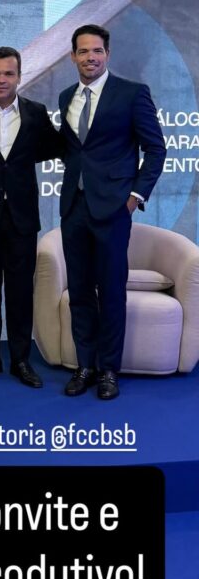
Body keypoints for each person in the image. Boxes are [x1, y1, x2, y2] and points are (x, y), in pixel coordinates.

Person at [59, 23, 166, 400]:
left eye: (97, 51)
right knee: (80, 292)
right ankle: (85, 365)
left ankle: (108, 370)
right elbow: (76, 151)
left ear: (107, 54)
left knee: (111, 291)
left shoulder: (132, 93)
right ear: (73, 56)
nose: (90, 57)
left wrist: (135, 195)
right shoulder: (66, 96)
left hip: (114, 209)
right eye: (83, 51)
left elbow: (156, 149)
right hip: (74, 208)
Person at [0, 47, 61, 388]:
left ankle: (21, 360)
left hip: (22, 217)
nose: (1, 80)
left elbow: (55, 147)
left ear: (19, 76)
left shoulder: (36, 113)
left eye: (8, 73)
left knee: (20, 292)